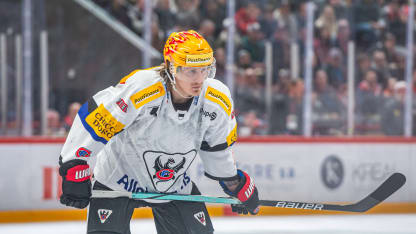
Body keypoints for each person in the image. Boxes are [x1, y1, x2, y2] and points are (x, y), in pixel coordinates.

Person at [58, 30, 260, 234]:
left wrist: (234, 182)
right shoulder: (143, 87)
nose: (199, 79)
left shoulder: (217, 99)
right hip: (117, 182)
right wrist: (74, 164)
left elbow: (216, 147)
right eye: (191, 71)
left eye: (204, 69)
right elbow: (96, 119)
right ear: (171, 67)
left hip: (175, 186)